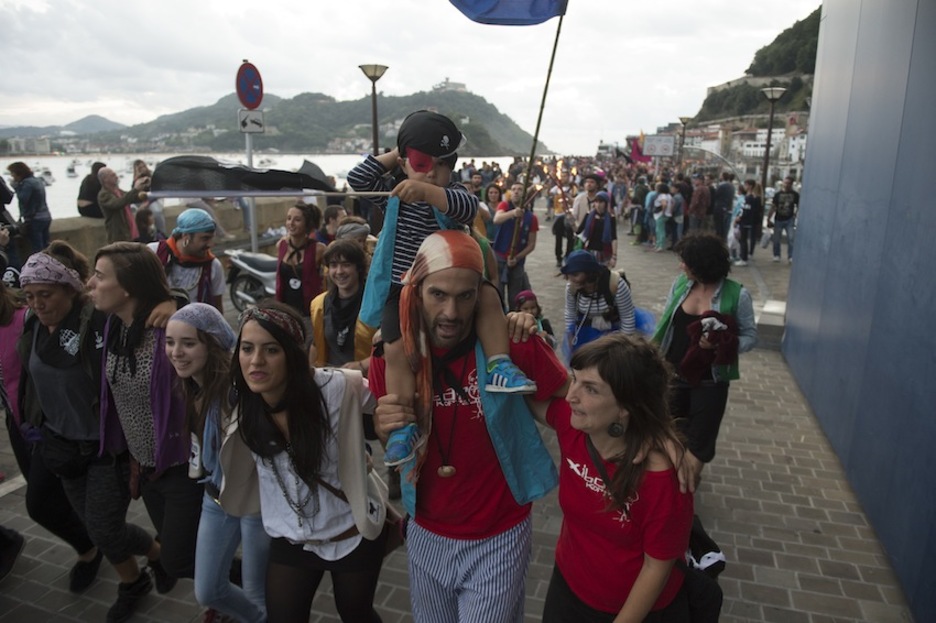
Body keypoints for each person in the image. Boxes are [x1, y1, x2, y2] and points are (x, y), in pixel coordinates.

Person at [371, 230, 568, 623]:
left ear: (481, 296)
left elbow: (574, 403)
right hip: (425, 530)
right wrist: (382, 426)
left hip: (499, 533)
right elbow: (393, 436)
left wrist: (646, 439)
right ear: (417, 290)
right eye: (438, 295)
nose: (451, 313)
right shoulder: (390, 359)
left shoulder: (513, 344)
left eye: (465, 296)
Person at [347, 110, 536, 470]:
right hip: (403, 290)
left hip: (451, 286)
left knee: (488, 298)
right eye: (422, 162)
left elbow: (467, 209)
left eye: (443, 164)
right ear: (406, 162)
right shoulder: (393, 196)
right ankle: (404, 423)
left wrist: (429, 190)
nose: (432, 171)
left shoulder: (451, 194)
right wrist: (399, 156)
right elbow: (358, 178)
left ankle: (499, 364)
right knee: (395, 348)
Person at [17, 242, 179, 622]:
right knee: (92, 524)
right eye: (29, 296)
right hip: (60, 443)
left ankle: (151, 564)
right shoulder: (31, 324)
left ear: (70, 290)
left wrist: (174, 304)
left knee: (104, 529)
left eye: (45, 295)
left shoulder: (98, 319)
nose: (37, 304)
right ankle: (141, 571)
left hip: (106, 446)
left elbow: (145, 302)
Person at [233, 301, 389, 622]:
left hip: (351, 533)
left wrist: (395, 348)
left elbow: (393, 399)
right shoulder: (240, 399)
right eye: (247, 348)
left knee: (356, 613)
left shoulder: (337, 387)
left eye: (271, 350)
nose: (256, 361)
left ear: (297, 354)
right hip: (291, 538)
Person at [528, 334, 693, 622]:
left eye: (591, 389)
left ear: (626, 406)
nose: (571, 396)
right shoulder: (575, 425)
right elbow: (523, 392)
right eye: (575, 379)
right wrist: (519, 325)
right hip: (567, 590)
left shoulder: (662, 477)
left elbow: (657, 567)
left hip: (631, 610)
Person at [88, 242, 203, 595]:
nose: (89, 283)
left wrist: (178, 304)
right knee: (185, 554)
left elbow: (212, 338)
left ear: (129, 287)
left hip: (183, 466)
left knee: (178, 560)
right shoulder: (114, 326)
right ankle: (224, 599)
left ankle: (256, 589)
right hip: (145, 467)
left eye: (99, 276)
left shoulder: (168, 332)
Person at [165, 303, 269, 622]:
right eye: (170, 342)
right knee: (207, 590)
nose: (176, 352)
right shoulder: (192, 386)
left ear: (212, 344)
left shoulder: (237, 391)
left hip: (255, 502)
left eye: (188, 343)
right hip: (216, 496)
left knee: (256, 593)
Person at [652, 233, 757, 488]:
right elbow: (667, 324)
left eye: (685, 262)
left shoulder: (737, 294)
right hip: (672, 376)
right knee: (667, 435)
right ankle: (671, 487)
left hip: (710, 381)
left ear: (700, 264)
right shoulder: (680, 285)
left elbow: (750, 336)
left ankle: (685, 493)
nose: (681, 266)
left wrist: (723, 344)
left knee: (699, 445)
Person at [148, 207, 225, 310]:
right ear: (186, 236)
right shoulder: (153, 253)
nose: (210, 244)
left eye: (211, 238)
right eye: (205, 238)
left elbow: (217, 307)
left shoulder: (213, 266)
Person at [562, 250, 636, 356]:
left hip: (614, 331)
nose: (570, 278)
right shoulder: (571, 287)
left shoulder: (616, 284)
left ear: (589, 272)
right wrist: (571, 334)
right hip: (585, 331)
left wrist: (625, 346)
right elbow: (570, 312)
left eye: (575, 274)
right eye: (569, 274)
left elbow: (627, 317)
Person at [275, 201, 326, 324]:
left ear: (307, 224)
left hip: (309, 314)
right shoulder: (281, 245)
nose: (291, 223)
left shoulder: (319, 249)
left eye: (297, 220)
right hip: (285, 313)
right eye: (288, 218)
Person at [492, 182, 538, 309]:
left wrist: (516, 258)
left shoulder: (531, 217)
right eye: (513, 189)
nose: (516, 192)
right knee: (497, 294)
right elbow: (497, 219)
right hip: (499, 258)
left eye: (519, 189)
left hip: (517, 262)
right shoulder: (505, 205)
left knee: (515, 297)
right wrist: (512, 213)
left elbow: (531, 244)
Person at [5, 162, 53, 254]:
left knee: (38, 248)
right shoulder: (37, 180)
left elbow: (23, 199)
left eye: (12, 173)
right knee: (47, 246)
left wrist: (16, 187)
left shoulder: (27, 183)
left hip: (35, 219)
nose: (11, 175)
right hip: (45, 217)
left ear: (18, 173)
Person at [98, 167, 147, 243]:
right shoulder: (103, 195)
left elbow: (131, 198)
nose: (116, 176)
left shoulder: (118, 191)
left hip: (129, 231)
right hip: (118, 234)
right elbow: (118, 203)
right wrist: (135, 189)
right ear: (105, 179)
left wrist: (143, 191)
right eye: (112, 175)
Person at [576, 190, 617, 267]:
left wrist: (614, 257)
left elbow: (614, 237)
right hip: (589, 251)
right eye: (596, 202)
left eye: (601, 202)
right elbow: (578, 231)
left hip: (604, 252)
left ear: (605, 204)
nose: (598, 205)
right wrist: (571, 220)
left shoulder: (611, 219)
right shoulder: (589, 215)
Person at [131, 159, 166, 236]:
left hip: (153, 199)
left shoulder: (152, 176)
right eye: (140, 168)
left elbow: (157, 192)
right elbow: (134, 195)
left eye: (143, 166)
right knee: (133, 210)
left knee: (156, 212)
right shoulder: (136, 180)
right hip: (142, 200)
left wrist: (147, 203)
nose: (143, 169)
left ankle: (162, 233)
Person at [768, 176, 798, 263]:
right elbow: (773, 207)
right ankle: (776, 255)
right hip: (778, 219)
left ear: (791, 184)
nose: (786, 185)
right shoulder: (777, 195)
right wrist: (769, 218)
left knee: (791, 238)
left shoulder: (795, 195)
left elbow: (798, 205)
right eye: (785, 183)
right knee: (776, 239)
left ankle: (790, 256)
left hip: (789, 219)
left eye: (788, 183)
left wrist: (795, 214)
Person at [734, 179, 762, 266]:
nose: (744, 187)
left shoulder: (749, 198)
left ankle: (743, 258)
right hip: (752, 221)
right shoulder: (757, 198)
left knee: (743, 239)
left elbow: (745, 210)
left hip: (746, 221)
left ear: (749, 186)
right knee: (745, 239)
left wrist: (739, 218)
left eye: (746, 185)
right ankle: (745, 255)